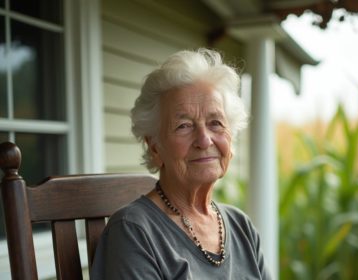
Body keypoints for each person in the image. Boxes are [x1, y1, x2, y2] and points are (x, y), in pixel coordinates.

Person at [91, 48, 271, 279]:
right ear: (155, 147)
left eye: (215, 123)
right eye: (183, 126)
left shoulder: (240, 226)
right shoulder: (133, 232)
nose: (204, 140)